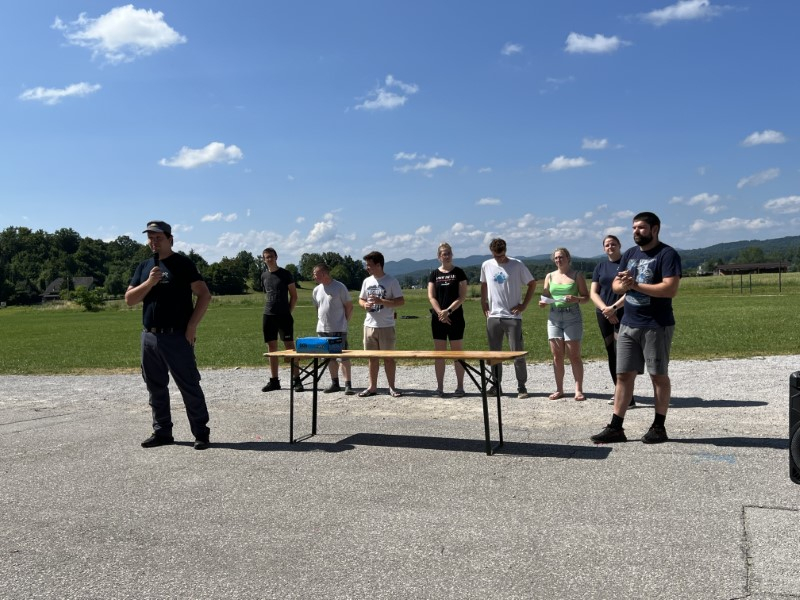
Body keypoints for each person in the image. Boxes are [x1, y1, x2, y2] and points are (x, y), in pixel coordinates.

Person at [591, 212, 682, 444]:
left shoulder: (667, 254)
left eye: (641, 227)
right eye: (633, 228)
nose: (636, 232)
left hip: (656, 324)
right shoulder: (630, 254)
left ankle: (659, 427)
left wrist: (636, 285)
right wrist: (623, 284)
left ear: (655, 229)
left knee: (658, 376)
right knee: (623, 375)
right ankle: (616, 427)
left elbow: (670, 289)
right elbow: (615, 285)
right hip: (628, 323)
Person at [125, 220, 212, 450]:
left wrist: (192, 325)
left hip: (177, 336)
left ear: (170, 239)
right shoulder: (144, 267)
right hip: (149, 337)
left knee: (189, 385)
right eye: (150, 238)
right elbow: (130, 299)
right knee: (155, 387)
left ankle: (201, 433)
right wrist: (149, 282)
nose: (153, 242)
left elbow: (204, 295)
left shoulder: (183, 264)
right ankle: (162, 432)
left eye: (158, 238)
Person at [480, 238, 537, 399]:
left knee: (517, 353)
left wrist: (523, 305)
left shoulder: (517, 264)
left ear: (506, 250)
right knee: (494, 355)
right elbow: (483, 284)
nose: (499, 258)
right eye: (496, 256)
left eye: (502, 255)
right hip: (493, 316)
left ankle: (521, 386)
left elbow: (532, 283)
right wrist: (483, 303)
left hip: (513, 316)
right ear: (491, 252)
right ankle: (496, 385)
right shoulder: (486, 265)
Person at [590, 235, 635, 408]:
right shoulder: (600, 267)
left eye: (613, 244)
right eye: (607, 245)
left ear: (619, 245)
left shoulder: (627, 264)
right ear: (604, 248)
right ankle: (618, 391)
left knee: (621, 353)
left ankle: (627, 396)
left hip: (623, 312)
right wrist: (605, 310)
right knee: (611, 352)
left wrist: (614, 308)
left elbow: (631, 290)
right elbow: (594, 292)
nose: (610, 247)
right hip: (603, 313)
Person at [538, 247, 589, 401]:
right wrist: (542, 302)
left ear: (568, 258)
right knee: (557, 355)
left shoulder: (577, 275)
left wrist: (576, 299)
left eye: (561, 257)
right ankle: (559, 389)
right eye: (556, 258)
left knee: (574, 355)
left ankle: (578, 390)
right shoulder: (549, 276)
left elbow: (586, 297)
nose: (558, 260)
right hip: (553, 317)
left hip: (572, 316)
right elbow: (545, 296)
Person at [358, 251, 405, 397]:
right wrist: (364, 305)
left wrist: (381, 301)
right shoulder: (367, 281)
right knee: (372, 358)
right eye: (367, 265)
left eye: (369, 265)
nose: (367, 268)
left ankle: (392, 387)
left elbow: (400, 301)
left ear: (378, 265)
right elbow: (361, 299)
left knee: (389, 359)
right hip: (369, 325)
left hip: (386, 326)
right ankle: (372, 387)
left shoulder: (391, 281)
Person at [427, 242, 468, 397]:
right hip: (438, 319)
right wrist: (440, 313)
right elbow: (431, 296)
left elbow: (462, 296)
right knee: (439, 354)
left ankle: (460, 387)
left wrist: (448, 311)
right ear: (439, 257)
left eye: (449, 253)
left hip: (455, 318)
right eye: (444, 254)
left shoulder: (459, 272)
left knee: (457, 353)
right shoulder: (434, 274)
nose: (447, 256)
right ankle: (439, 388)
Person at [260, 247, 302, 393]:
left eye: (271, 256)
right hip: (268, 315)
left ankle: (296, 379)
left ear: (276, 257)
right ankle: (274, 381)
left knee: (289, 347)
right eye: (267, 257)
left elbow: (294, 296)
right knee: (271, 348)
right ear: (264, 259)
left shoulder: (285, 274)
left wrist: (288, 312)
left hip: (284, 316)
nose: (269, 259)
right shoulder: (264, 275)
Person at [311, 262, 355, 395]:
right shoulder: (316, 290)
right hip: (322, 329)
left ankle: (348, 385)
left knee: (343, 357)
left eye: (316, 274)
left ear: (324, 273)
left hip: (338, 329)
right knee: (329, 358)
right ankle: (335, 383)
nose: (314, 277)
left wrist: (344, 322)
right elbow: (318, 308)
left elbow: (349, 306)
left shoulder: (339, 287)